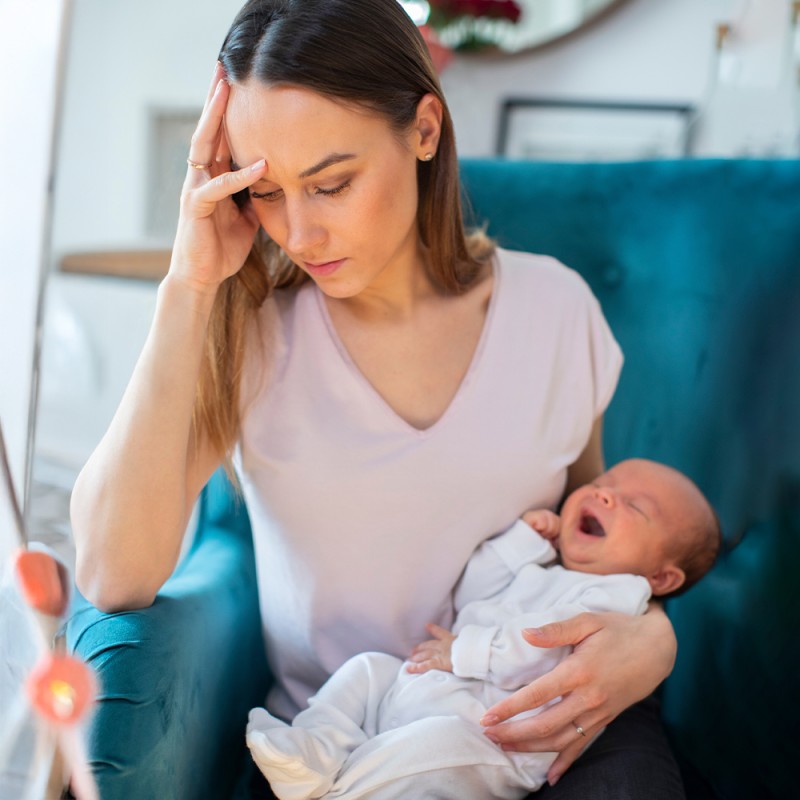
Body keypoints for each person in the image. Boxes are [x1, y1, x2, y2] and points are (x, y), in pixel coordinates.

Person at [70, 1, 687, 797]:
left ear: (425, 129)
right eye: (267, 192)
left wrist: (653, 636)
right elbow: (112, 574)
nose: (299, 233)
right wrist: (188, 286)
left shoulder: (557, 311)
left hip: (539, 736)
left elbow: (590, 543)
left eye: (331, 184)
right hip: (346, 754)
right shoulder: (252, 331)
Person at [246, 458, 721, 800]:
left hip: (493, 736)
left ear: (661, 578)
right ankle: (311, 751)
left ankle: (344, 792)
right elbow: (474, 592)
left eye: (634, 507)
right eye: (604, 482)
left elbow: (544, 646)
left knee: (430, 752)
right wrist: (520, 544)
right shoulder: (545, 568)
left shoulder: (619, 599)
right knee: (366, 670)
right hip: (431, 686)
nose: (603, 494)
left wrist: (463, 654)